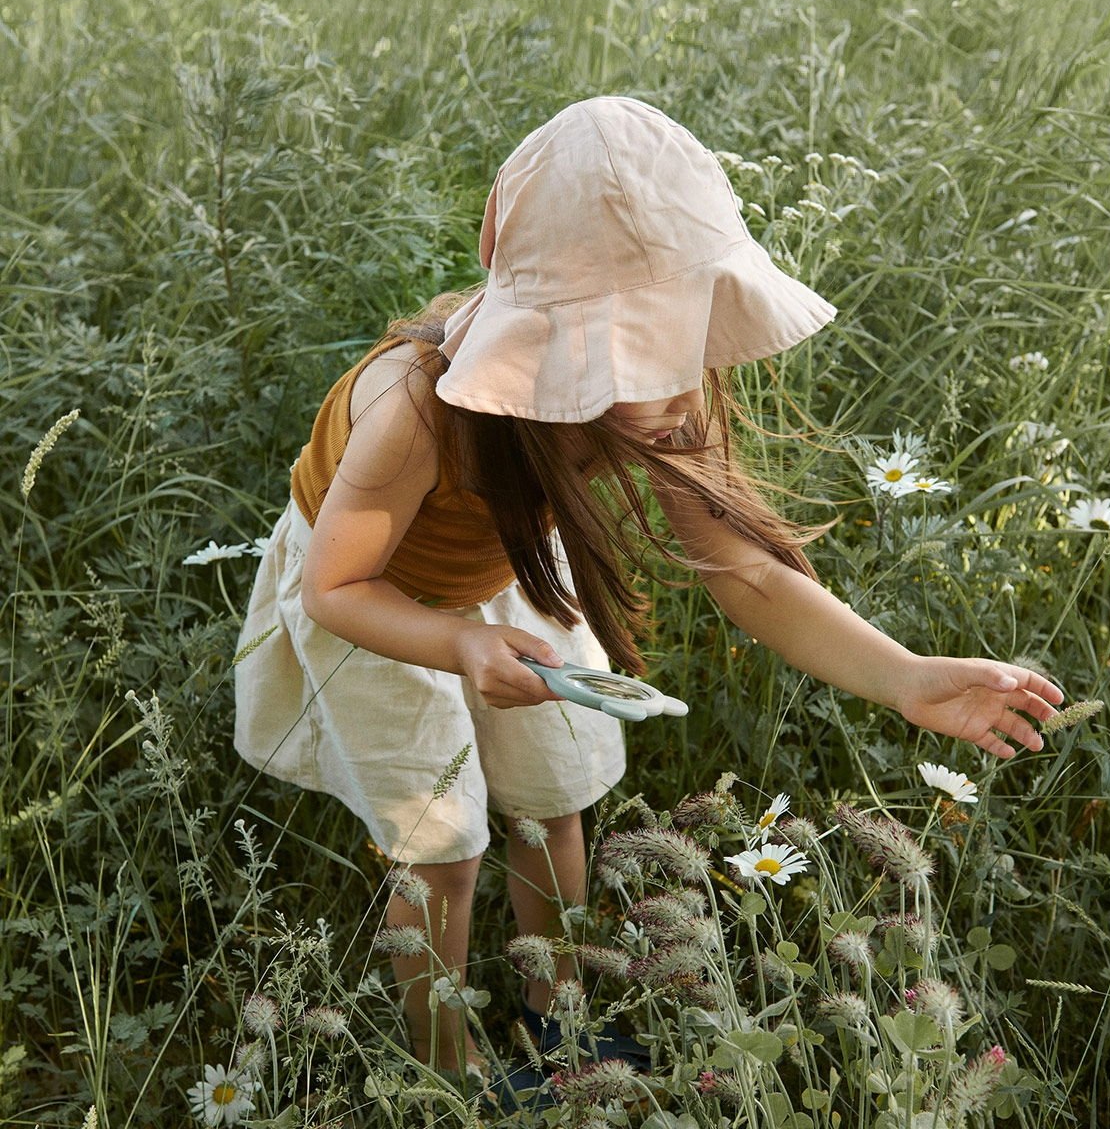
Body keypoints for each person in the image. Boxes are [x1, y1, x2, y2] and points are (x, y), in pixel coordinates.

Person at [233, 96, 1063, 1078]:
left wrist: (907, 677)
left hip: (505, 579)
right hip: (381, 600)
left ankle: (561, 1027)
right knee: (442, 845)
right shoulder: (421, 412)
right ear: (550, 348)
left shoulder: (666, 406)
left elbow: (747, 572)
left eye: (688, 338)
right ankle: (443, 1069)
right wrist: (459, 646)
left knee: (556, 794)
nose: (676, 394)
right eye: (640, 354)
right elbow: (337, 587)